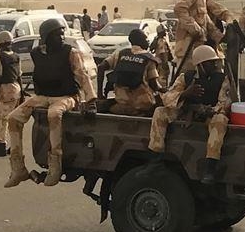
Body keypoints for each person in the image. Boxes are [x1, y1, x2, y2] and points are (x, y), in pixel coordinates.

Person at [4, 18, 96, 187]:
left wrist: (90, 101)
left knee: (53, 114)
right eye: (57, 34)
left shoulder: (71, 53)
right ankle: (18, 168)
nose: (61, 37)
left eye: (62, 34)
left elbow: (83, 76)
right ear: (46, 37)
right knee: (13, 118)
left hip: (66, 97)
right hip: (43, 96)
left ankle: (55, 165)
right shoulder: (37, 54)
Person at [148, 45, 232, 184]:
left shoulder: (222, 79)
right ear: (200, 65)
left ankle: (210, 167)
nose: (214, 65)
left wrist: (209, 110)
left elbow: (224, 103)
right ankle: (155, 159)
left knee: (220, 119)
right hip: (186, 112)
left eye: (214, 62)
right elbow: (167, 98)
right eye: (209, 63)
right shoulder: (186, 78)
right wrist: (185, 94)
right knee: (160, 112)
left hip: (208, 115)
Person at [97, 29, 164, 116]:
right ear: (140, 40)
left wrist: (100, 94)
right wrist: (164, 90)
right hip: (142, 106)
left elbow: (101, 67)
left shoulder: (120, 54)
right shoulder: (148, 58)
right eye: (145, 39)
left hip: (121, 103)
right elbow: (154, 85)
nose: (147, 41)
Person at [0, 31, 22, 158]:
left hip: (6, 90)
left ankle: (1, 145)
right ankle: (15, 145)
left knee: (3, 120)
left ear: (0, 44)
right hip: (16, 89)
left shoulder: (0, 57)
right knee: (14, 120)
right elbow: (19, 75)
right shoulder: (16, 56)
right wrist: (22, 92)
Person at [173, 0, 210, 71]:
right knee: (186, 77)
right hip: (188, 46)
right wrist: (196, 29)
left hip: (194, 45)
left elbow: (203, 17)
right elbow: (179, 8)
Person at [150, 24, 172, 89]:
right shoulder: (161, 41)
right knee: (162, 78)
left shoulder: (160, 39)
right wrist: (165, 64)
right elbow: (162, 53)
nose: (166, 32)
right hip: (161, 62)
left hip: (160, 62)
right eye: (164, 31)